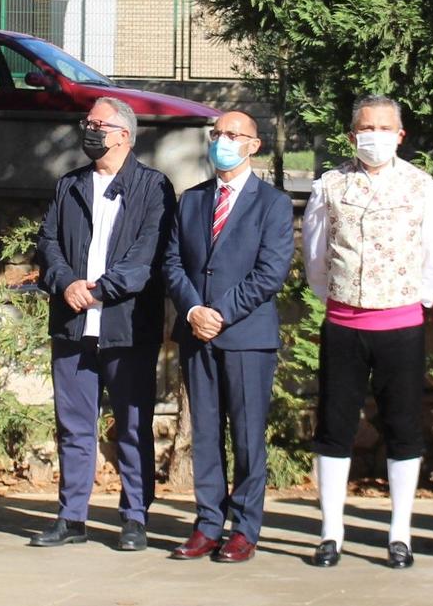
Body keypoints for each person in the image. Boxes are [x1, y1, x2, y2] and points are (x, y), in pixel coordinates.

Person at [303, 94, 433, 570]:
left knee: (403, 427)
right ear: (351, 135)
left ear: (401, 135)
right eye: (366, 127)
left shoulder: (423, 187)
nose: (375, 136)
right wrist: (335, 298)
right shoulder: (330, 185)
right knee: (335, 426)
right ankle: (331, 532)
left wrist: (415, 300)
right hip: (344, 324)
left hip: (401, 326)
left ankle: (400, 532)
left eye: (385, 128)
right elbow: (316, 254)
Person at [32, 97, 175, 552]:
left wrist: (101, 290)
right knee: (74, 426)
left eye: (98, 124)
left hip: (126, 326)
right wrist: (66, 282)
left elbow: (148, 254)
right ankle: (72, 517)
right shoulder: (69, 185)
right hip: (73, 325)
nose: (89, 130)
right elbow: (48, 242)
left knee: (132, 424)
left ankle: (134, 517)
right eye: (87, 122)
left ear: (124, 135)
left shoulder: (153, 186)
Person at [162, 110, 294, 564]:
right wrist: (195, 309)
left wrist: (220, 312)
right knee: (204, 434)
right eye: (217, 134)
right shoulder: (192, 199)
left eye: (233, 135)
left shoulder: (272, 204)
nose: (223, 141)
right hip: (197, 332)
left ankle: (245, 528)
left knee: (246, 435)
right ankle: (207, 524)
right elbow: (173, 262)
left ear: (253, 145)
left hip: (246, 336)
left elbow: (270, 273)